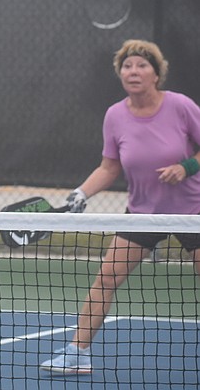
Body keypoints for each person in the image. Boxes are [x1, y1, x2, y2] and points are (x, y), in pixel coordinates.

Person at [40, 39, 200, 376]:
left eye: (142, 65)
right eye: (127, 66)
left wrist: (187, 166)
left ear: (156, 74)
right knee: (107, 278)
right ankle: (77, 353)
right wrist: (80, 194)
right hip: (142, 214)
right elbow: (109, 167)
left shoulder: (181, 106)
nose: (134, 71)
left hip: (192, 212)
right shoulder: (115, 115)